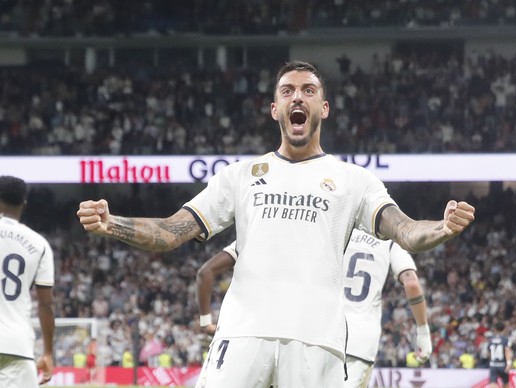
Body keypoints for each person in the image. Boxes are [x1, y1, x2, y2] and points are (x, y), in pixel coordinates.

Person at [77, 60, 475, 387]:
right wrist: (113, 224)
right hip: (241, 333)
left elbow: (405, 230)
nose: (297, 96)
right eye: (287, 91)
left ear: (323, 108)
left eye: (308, 90)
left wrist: (442, 228)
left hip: (316, 342)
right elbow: (170, 231)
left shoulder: (355, 181)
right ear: (275, 110)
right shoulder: (241, 175)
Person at [196, 231, 432, 387]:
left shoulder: (331, 228)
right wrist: (423, 333)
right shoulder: (389, 242)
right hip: (360, 342)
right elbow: (411, 283)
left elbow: (206, 272)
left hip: (319, 334)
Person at [0, 175, 55, 387]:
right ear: (24, 204)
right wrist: (48, 352)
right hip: (17, 346)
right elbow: (46, 304)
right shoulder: (39, 244)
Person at [487, 321, 512, 388]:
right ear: (504, 329)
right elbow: (507, 351)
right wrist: (509, 363)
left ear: (494, 329)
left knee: (492, 383)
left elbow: (488, 352)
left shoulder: (491, 340)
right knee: (506, 383)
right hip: (502, 364)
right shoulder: (505, 339)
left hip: (493, 364)